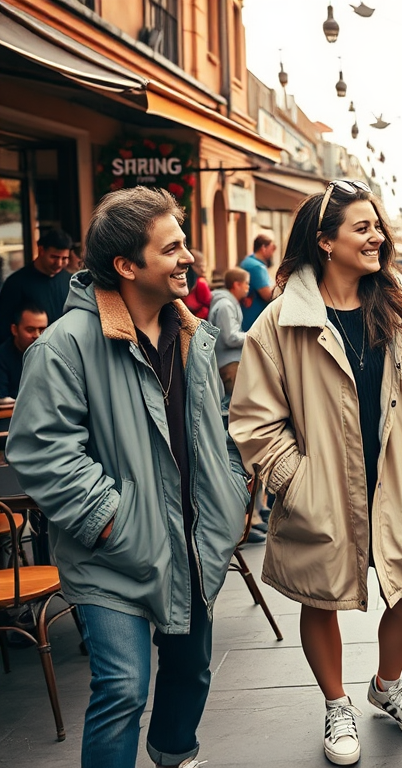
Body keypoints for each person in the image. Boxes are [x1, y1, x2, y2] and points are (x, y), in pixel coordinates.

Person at [5, 187, 248, 768]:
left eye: (184, 243)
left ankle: (174, 754)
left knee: (190, 670)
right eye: (172, 248)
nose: (188, 257)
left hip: (191, 540)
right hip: (112, 550)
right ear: (126, 266)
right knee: (123, 689)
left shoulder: (192, 335)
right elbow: (40, 449)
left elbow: (217, 428)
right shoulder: (65, 345)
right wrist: (110, 519)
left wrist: (231, 492)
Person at [229, 179, 402, 766]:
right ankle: (337, 705)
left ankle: (386, 686)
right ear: (325, 241)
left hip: (398, 483)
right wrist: (295, 481)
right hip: (323, 485)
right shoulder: (279, 323)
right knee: (320, 598)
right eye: (363, 228)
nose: (377, 236)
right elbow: (256, 420)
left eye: (378, 226)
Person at [0, 228, 73, 344]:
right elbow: (4, 328)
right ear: (41, 250)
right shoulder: (16, 283)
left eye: (64, 258)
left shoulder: (71, 281)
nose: (59, 263)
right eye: (54, 257)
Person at [208, 267, 249, 399]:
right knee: (236, 404)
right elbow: (230, 337)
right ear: (237, 285)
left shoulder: (230, 303)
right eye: (246, 283)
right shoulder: (225, 305)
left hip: (231, 363)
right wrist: (254, 336)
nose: (248, 287)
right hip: (229, 366)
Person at [0, 302, 47, 398]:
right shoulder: (2, 357)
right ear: (15, 330)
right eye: (30, 330)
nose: (37, 335)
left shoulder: (51, 353)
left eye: (42, 330)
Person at [240, 233, 277, 331]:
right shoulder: (257, 267)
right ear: (263, 248)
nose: (272, 252)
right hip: (255, 318)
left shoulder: (248, 261)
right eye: (271, 248)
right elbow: (268, 295)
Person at [183, 249, 212, 320]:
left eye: (204, 266)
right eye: (199, 266)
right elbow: (208, 302)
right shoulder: (201, 282)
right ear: (190, 266)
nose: (203, 270)